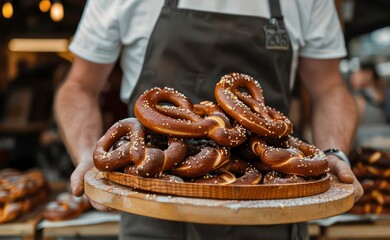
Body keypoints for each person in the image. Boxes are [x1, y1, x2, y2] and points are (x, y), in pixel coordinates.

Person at [54, 0, 363, 239]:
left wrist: (334, 152)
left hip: (273, 210)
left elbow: (330, 89)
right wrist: (85, 154)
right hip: (153, 213)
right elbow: (79, 87)